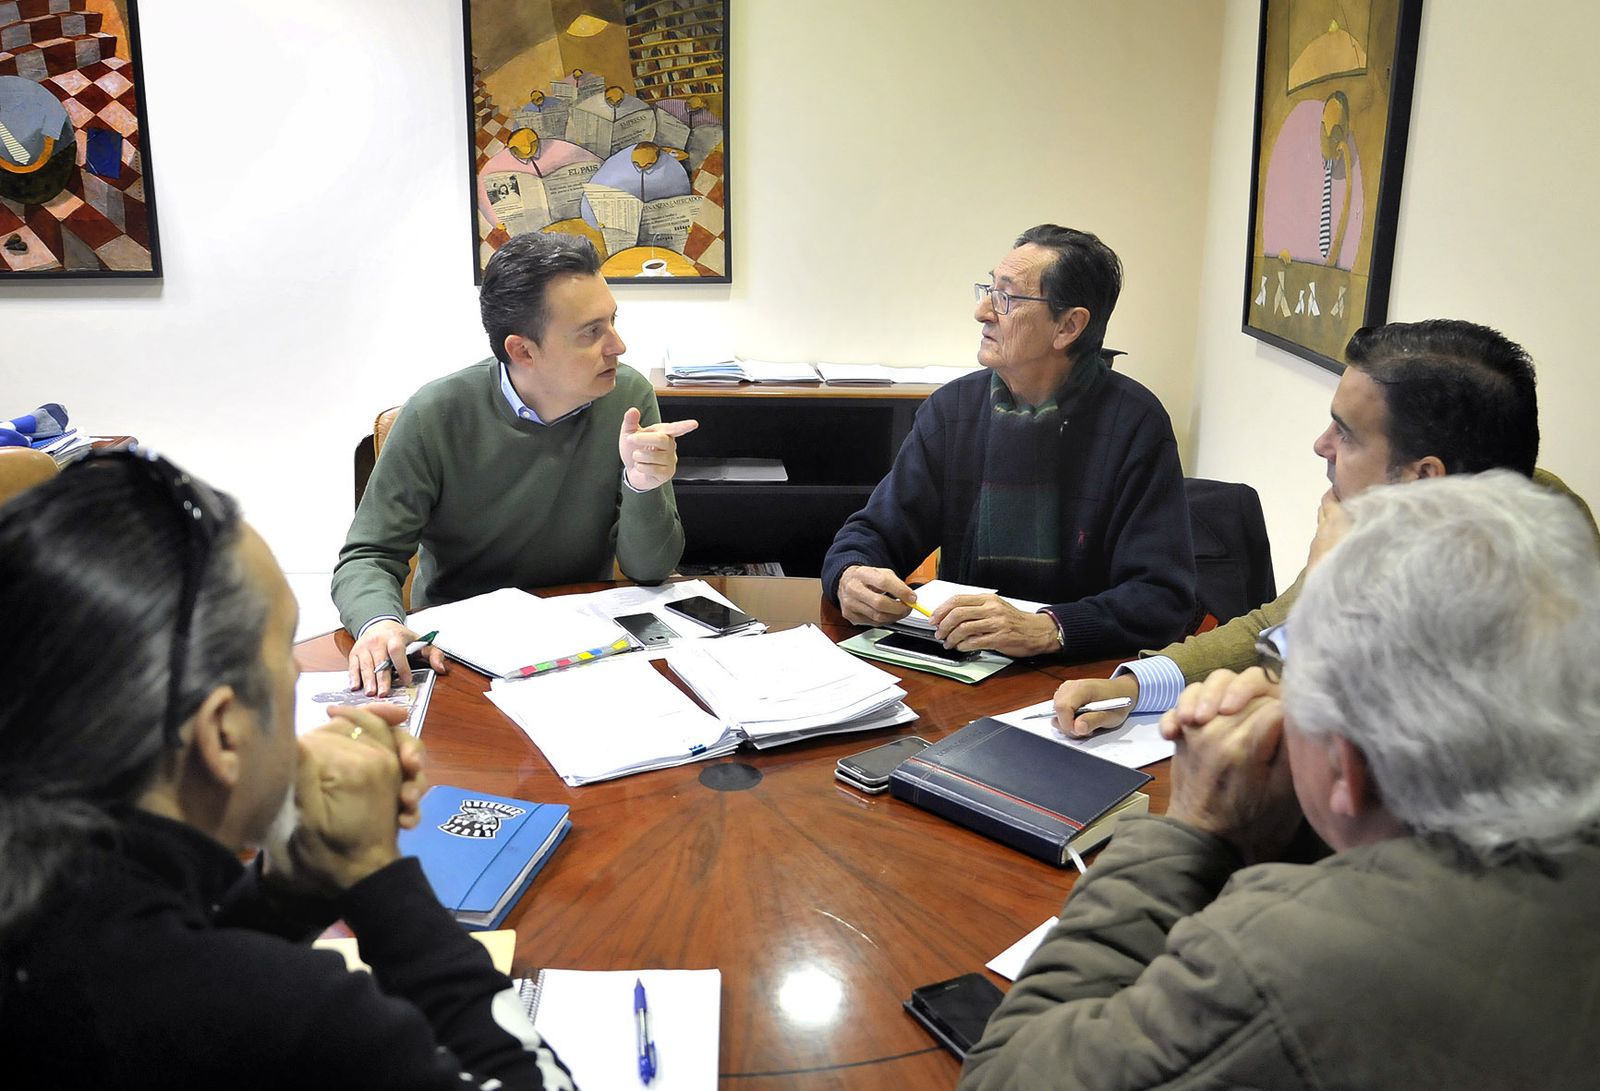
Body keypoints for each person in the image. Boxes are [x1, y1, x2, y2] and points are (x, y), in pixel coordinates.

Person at [960, 471, 1600, 1089]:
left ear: (1346, 763)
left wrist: (1190, 829)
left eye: (1288, 658)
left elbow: (1008, 1076)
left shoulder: (1289, 957)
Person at [0, 450, 575, 1089]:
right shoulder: (289, 1018)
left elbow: (159, 953)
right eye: (286, 656)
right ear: (224, 732)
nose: (299, 675)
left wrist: (290, 888)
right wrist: (373, 874)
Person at [1053, 318, 1596, 735]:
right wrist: (1131, 685)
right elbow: (1271, 624)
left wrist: (1335, 579)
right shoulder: (1398, 513)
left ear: (1424, 475)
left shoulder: (1540, 578)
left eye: (1347, 433)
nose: (1322, 446)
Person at [334, 231, 697, 695]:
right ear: (522, 350)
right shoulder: (436, 412)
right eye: (592, 331)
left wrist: (644, 485)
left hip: (583, 647)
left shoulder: (626, 397)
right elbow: (368, 555)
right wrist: (380, 623)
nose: (618, 345)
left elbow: (650, 569)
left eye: (613, 321)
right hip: (458, 655)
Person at [821, 225, 1196, 660]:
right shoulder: (954, 409)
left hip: (1078, 680)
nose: (982, 311)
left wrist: (1049, 629)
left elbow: (1162, 598)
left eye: (1007, 298)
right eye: (987, 290)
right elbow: (873, 531)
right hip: (958, 659)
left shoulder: (1134, 422)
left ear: (1069, 326)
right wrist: (851, 573)